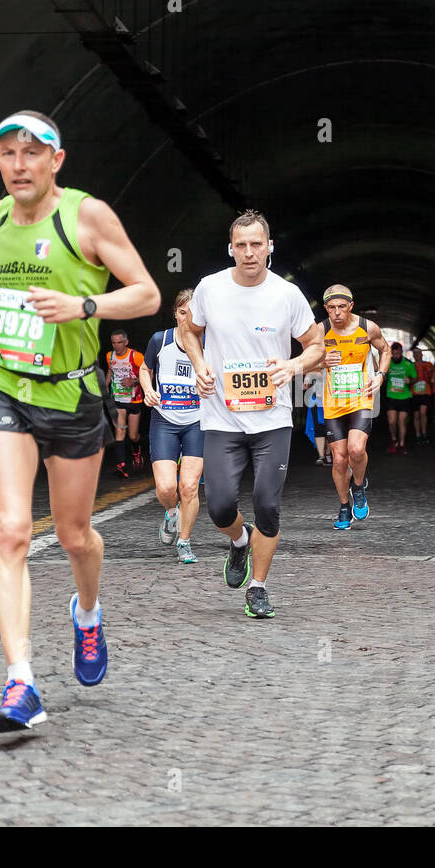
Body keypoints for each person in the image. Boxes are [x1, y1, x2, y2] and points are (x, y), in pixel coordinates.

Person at [0, 109, 160, 732]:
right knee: (11, 531)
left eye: (32, 153)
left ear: (56, 160)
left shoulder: (87, 217)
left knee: (73, 536)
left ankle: (86, 614)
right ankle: (22, 682)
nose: (19, 164)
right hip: (4, 386)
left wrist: (84, 305)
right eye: (8, 154)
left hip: (71, 397)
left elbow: (144, 292)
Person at [178, 210, 324, 620]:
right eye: (240, 245)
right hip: (222, 417)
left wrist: (294, 366)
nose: (248, 252)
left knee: (267, 505)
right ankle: (239, 541)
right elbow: (189, 330)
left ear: (269, 247)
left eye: (256, 244)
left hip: (272, 419)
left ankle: (258, 587)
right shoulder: (209, 288)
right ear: (231, 248)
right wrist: (200, 362)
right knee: (220, 507)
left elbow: (316, 345)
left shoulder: (286, 295)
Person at [313, 285, 388, 530]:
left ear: (351, 306)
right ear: (326, 308)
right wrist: (321, 362)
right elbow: (302, 364)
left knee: (356, 450)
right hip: (333, 402)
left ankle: (358, 486)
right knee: (338, 459)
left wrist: (380, 375)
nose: (336, 313)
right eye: (331, 308)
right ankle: (345, 505)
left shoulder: (368, 328)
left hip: (361, 398)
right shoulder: (319, 331)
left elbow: (385, 349)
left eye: (342, 307)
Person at [138, 290, 203, 564]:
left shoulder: (210, 343)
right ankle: (171, 514)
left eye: (194, 314)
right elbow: (144, 369)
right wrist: (148, 390)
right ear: (176, 313)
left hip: (197, 421)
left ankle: (184, 542)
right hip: (164, 420)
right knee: (166, 488)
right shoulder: (159, 340)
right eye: (184, 312)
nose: (188, 319)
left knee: (189, 486)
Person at [105, 329, 146, 478]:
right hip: (118, 399)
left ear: (126, 342)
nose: (116, 346)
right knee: (119, 431)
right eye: (113, 343)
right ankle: (121, 465)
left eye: (119, 342)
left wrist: (134, 381)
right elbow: (111, 370)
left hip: (134, 399)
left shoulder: (136, 356)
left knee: (133, 435)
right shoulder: (110, 356)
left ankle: (136, 449)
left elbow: (149, 374)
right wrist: (105, 386)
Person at [383, 342, 417, 454]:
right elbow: (382, 374)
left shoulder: (408, 364)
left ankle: (402, 444)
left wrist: (410, 381)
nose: (395, 356)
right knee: (392, 422)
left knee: (401, 422)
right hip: (391, 397)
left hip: (405, 397)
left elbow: (415, 379)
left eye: (397, 353)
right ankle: (394, 440)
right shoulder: (388, 363)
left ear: (401, 352)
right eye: (393, 354)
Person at [301, 368, 330, 466]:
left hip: (331, 398)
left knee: (331, 427)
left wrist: (315, 373)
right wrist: (307, 381)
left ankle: (328, 454)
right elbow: (307, 372)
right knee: (318, 426)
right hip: (316, 398)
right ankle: (321, 456)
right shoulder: (314, 360)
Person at [410, 347, 435, 444]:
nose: (417, 355)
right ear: (413, 356)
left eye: (418, 353)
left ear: (421, 354)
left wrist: (433, 377)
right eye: (415, 354)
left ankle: (424, 433)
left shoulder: (428, 364)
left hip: (425, 393)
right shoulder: (411, 366)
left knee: (423, 413)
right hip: (414, 393)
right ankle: (418, 434)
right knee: (416, 415)